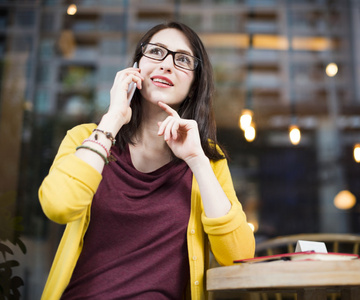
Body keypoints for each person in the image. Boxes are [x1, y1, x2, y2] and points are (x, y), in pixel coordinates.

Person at [38, 21, 255, 299]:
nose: (166, 64)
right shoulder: (86, 138)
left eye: (183, 59)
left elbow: (238, 255)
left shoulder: (207, 159)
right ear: (136, 67)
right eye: (156, 52)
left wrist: (196, 160)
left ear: (193, 86)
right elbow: (58, 206)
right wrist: (113, 118)